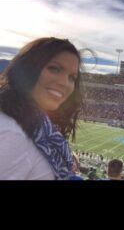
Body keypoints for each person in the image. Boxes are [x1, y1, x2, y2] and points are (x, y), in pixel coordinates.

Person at [0, 37, 85, 180]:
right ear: (28, 69)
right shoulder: (12, 134)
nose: (65, 83)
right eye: (54, 69)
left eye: (72, 78)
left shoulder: (34, 123)